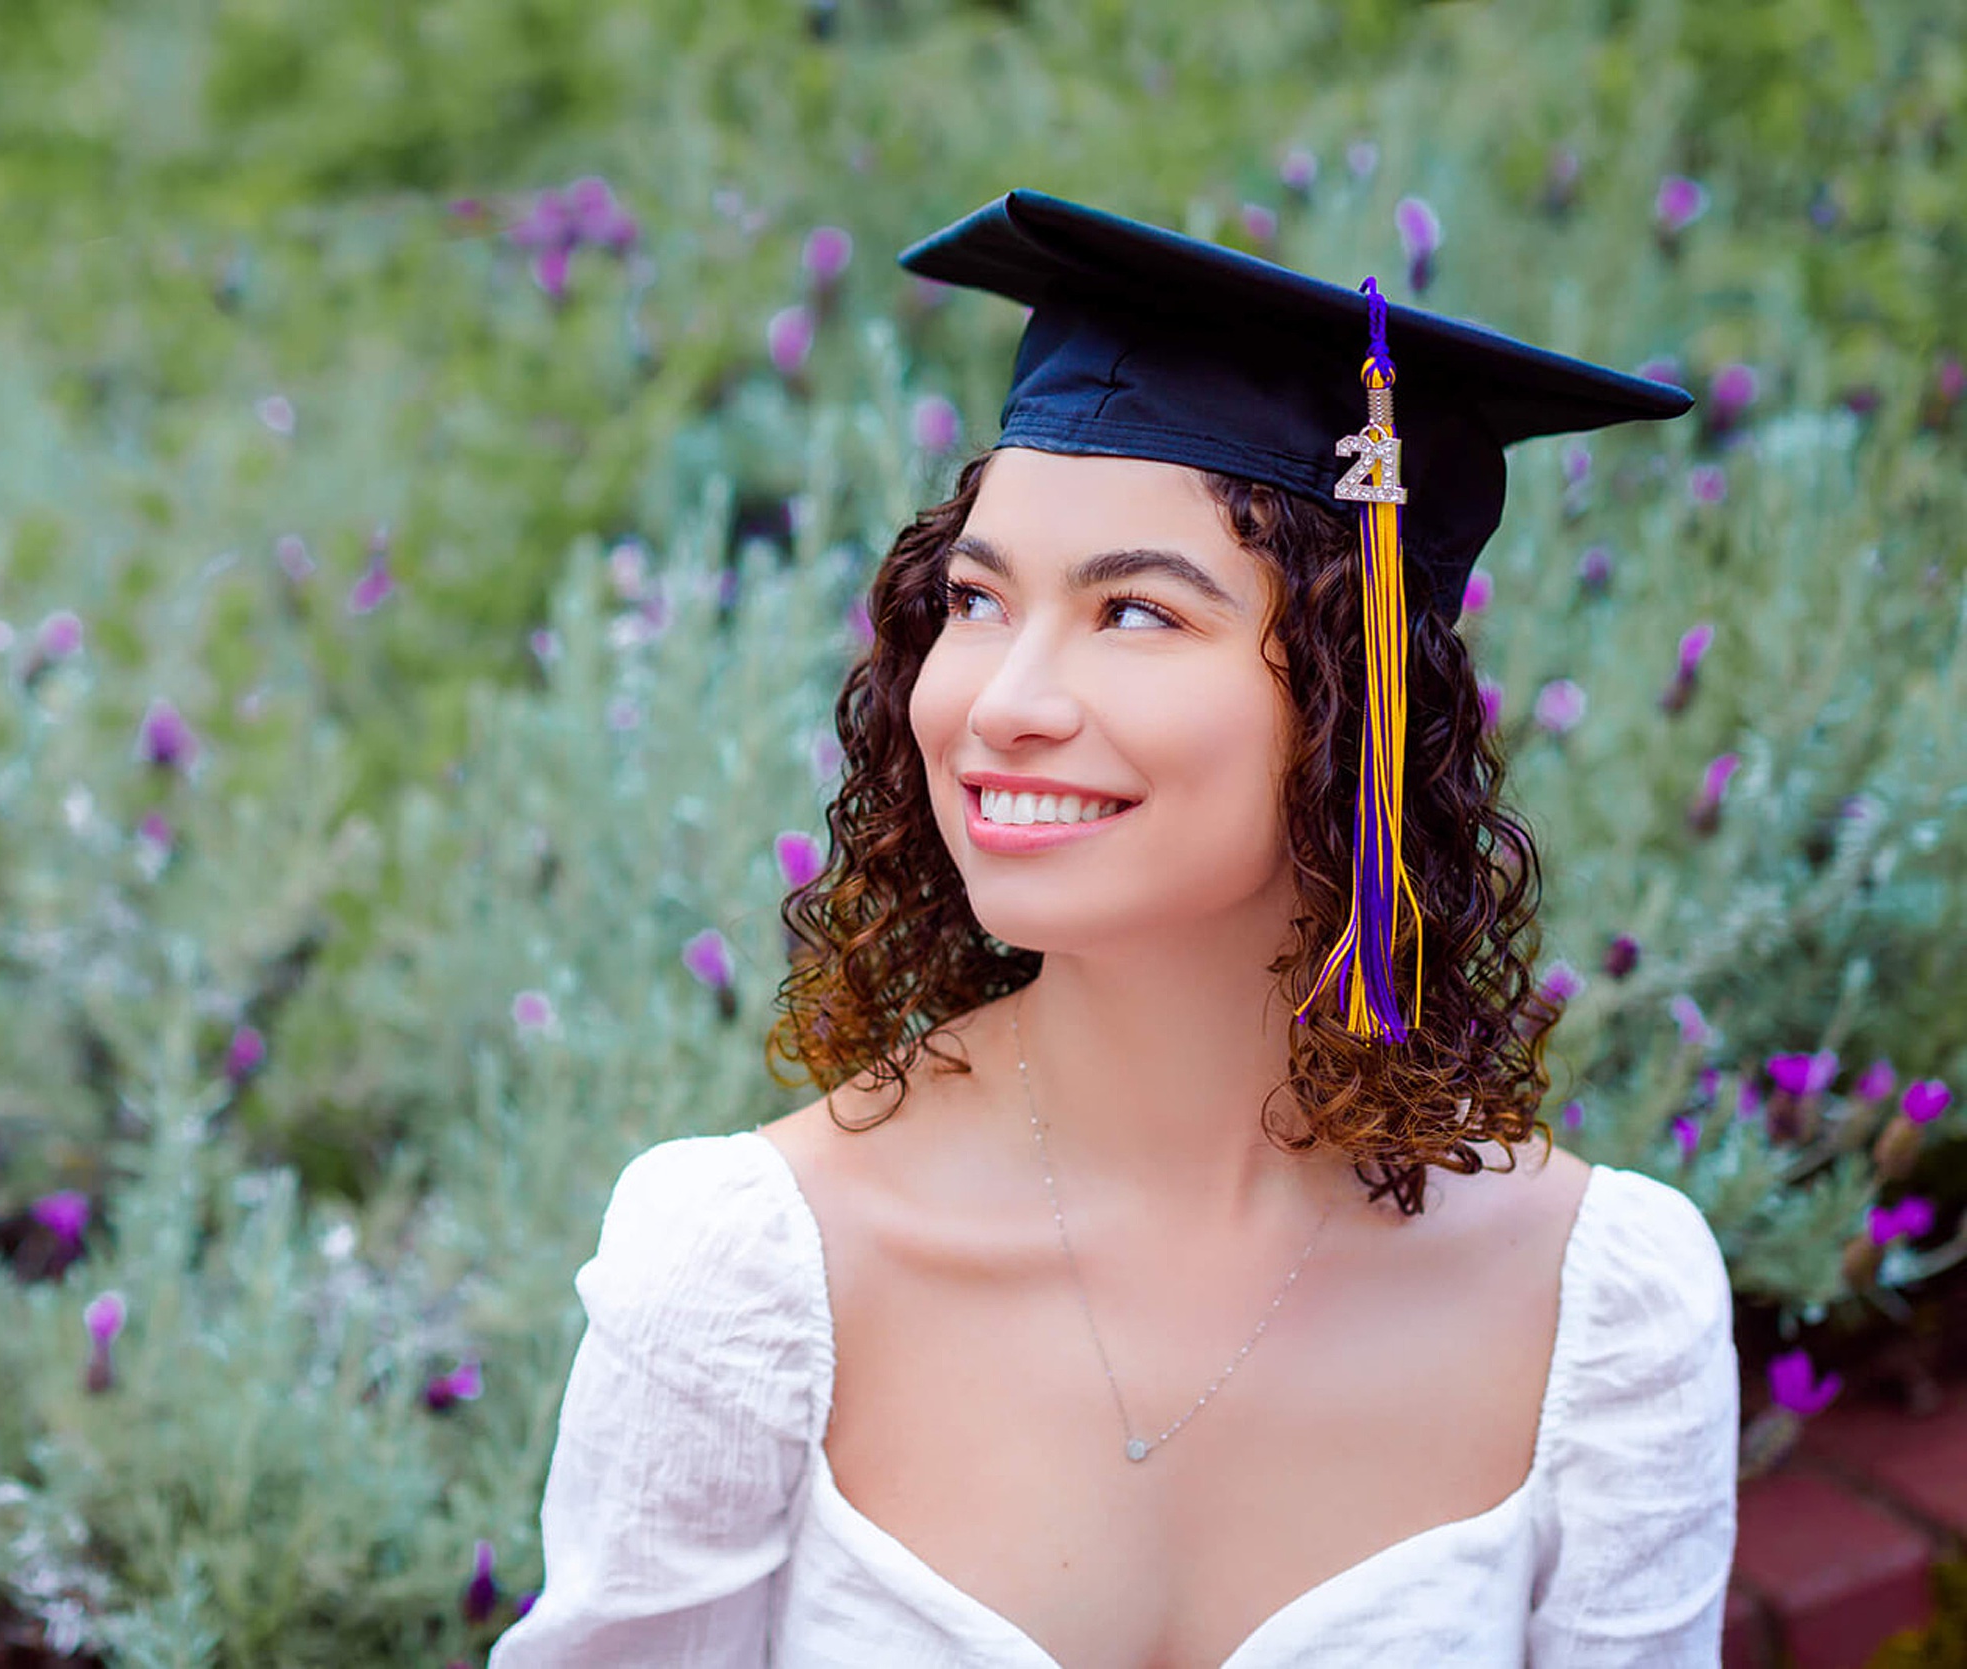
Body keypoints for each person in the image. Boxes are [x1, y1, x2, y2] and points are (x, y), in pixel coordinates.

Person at [489, 190, 1739, 1667]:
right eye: (975, 597)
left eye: (1137, 612)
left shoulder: (1601, 1312)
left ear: (1355, 702)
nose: (1004, 698)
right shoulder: (752, 1276)